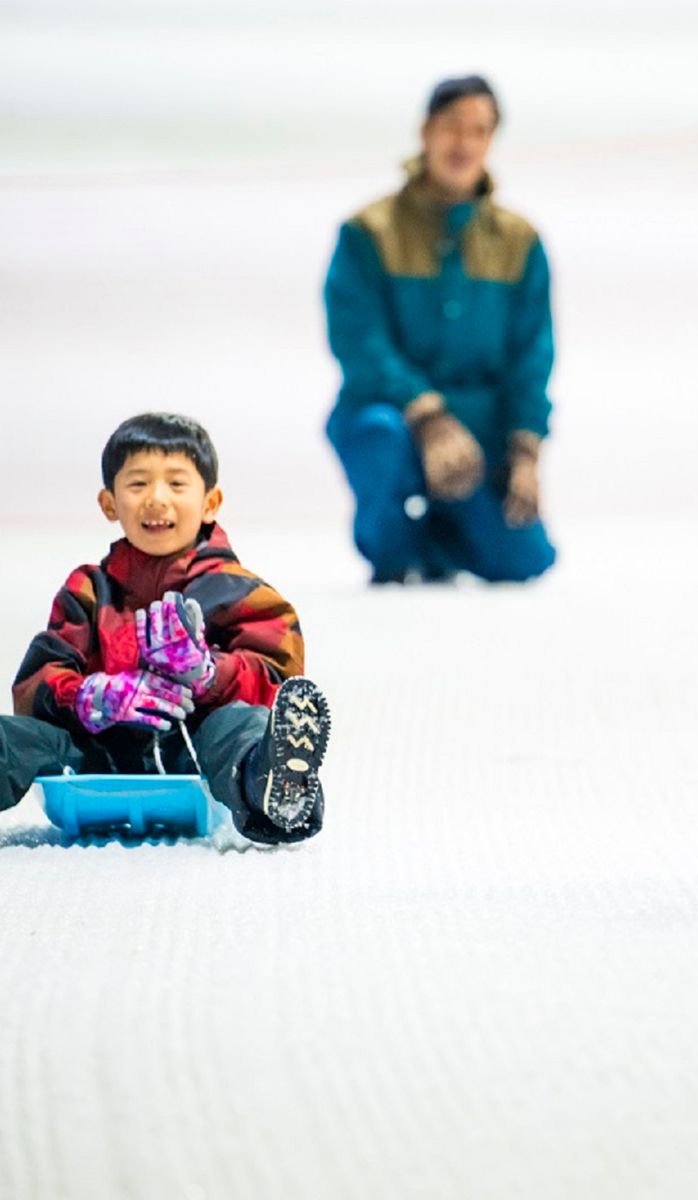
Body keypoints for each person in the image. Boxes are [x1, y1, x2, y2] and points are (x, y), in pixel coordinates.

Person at [2, 413, 331, 844]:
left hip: (194, 751)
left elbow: (276, 678)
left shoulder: (237, 591)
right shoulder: (88, 589)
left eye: (176, 484)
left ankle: (273, 788)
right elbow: (40, 679)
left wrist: (208, 673)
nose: (157, 499)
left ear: (210, 502)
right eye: (138, 485)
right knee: (15, 737)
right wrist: (89, 697)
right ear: (109, 503)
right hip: (95, 753)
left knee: (243, 726)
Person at [324, 74, 556, 584]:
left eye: (480, 130)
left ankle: (437, 540)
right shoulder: (369, 232)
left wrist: (524, 450)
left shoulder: (520, 242)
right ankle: (392, 544)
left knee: (525, 558)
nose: (464, 143)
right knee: (378, 439)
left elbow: (532, 356)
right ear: (426, 130)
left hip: (479, 438)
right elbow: (359, 341)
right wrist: (428, 417)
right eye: (453, 126)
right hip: (393, 418)